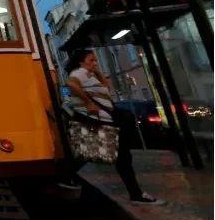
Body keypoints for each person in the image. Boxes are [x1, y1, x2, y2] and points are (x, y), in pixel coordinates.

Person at [66, 49, 163, 205]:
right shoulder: (79, 73)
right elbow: (71, 84)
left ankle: (135, 194)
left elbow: (107, 88)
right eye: (91, 60)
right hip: (98, 118)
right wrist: (89, 102)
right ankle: (136, 194)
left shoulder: (90, 75)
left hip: (105, 117)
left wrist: (98, 71)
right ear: (81, 62)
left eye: (95, 60)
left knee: (109, 153)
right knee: (113, 153)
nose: (95, 63)